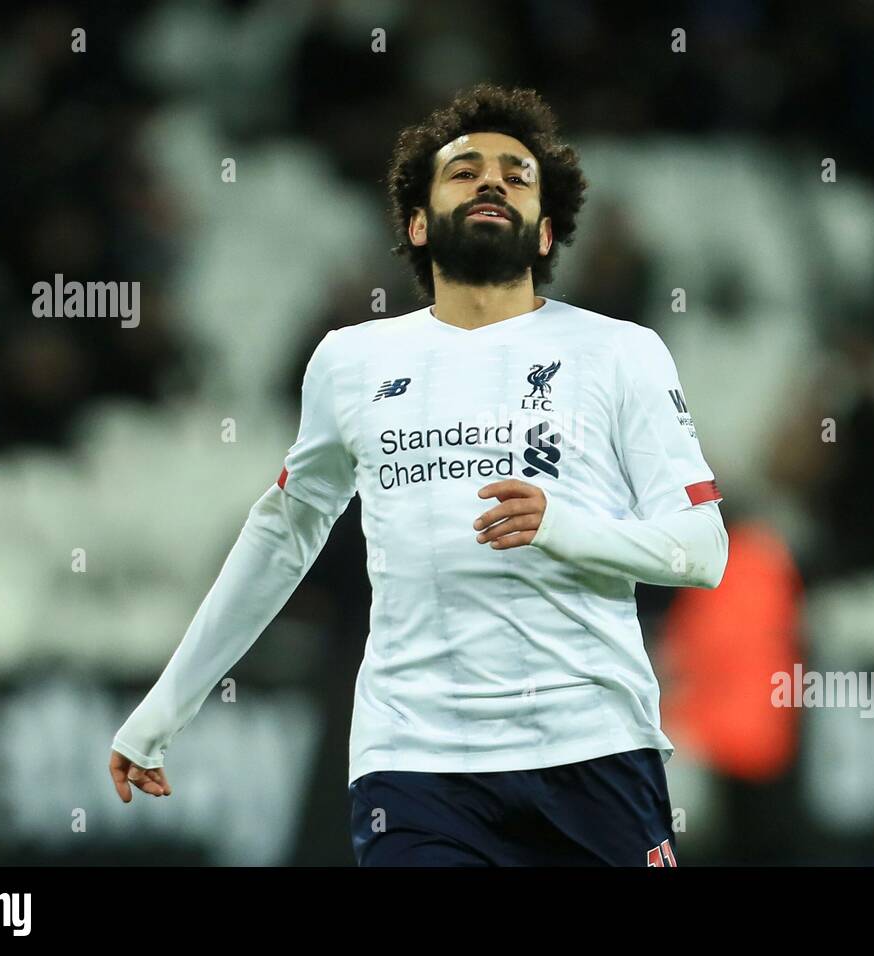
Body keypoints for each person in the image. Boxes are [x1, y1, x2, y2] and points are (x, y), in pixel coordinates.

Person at [109, 83, 728, 866]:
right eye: (465, 171)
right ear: (416, 222)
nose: (493, 181)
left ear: (545, 233)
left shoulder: (621, 352)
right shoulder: (351, 363)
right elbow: (282, 536)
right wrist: (165, 706)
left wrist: (567, 528)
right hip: (415, 763)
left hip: (591, 750)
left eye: (517, 173)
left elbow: (704, 551)